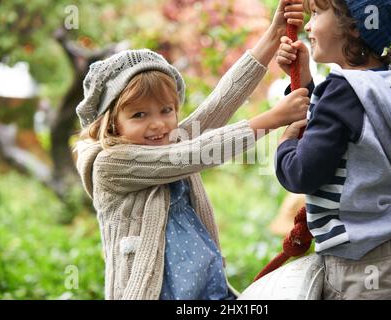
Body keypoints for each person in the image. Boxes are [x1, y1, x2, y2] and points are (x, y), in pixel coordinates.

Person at [74, 0, 309, 300]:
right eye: (139, 115)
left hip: (208, 292)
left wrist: (274, 33)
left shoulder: (169, 140)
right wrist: (272, 119)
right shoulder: (109, 165)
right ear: (111, 125)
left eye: (166, 110)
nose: (158, 124)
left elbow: (218, 104)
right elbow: (196, 153)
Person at [275, 0, 391, 299]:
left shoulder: (342, 91)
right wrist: (305, 83)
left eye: (318, 13)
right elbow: (348, 133)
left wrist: (286, 144)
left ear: (354, 27)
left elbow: (303, 173)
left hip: (361, 260)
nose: (308, 25)